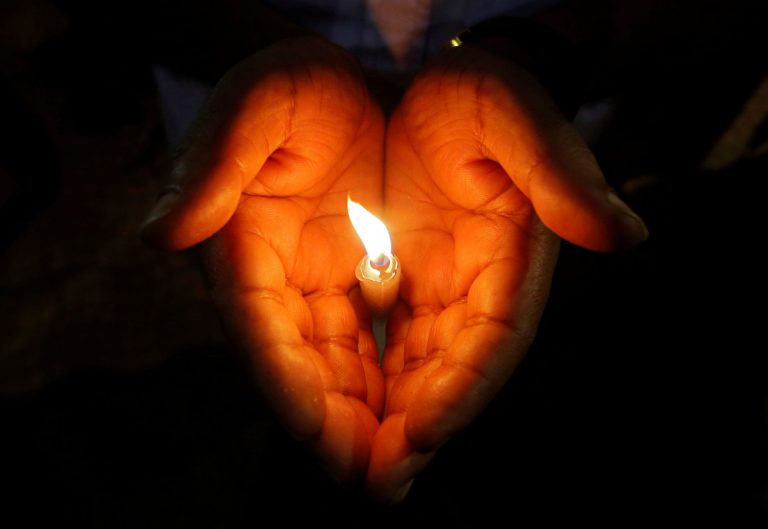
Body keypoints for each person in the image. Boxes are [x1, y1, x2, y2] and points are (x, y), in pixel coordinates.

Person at [140, 1, 647, 503]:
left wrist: (530, 51)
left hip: (524, 139)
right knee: (265, 352)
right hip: (265, 157)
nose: (380, 265)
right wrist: (264, 52)